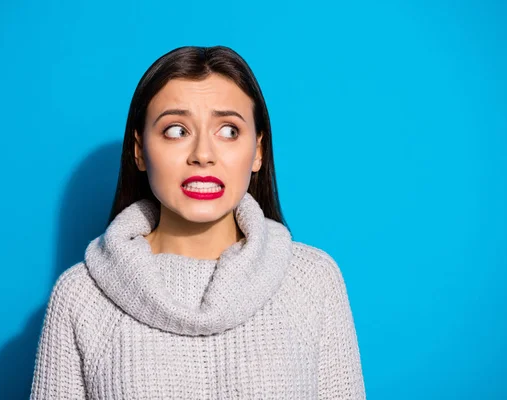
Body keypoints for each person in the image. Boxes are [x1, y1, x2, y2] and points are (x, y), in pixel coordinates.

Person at [30, 45, 366, 399]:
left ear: (259, 151)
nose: (203, 155)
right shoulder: (80, 297)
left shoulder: (312, 282)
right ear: (139, 150)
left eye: (229, 131)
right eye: (176, 131)